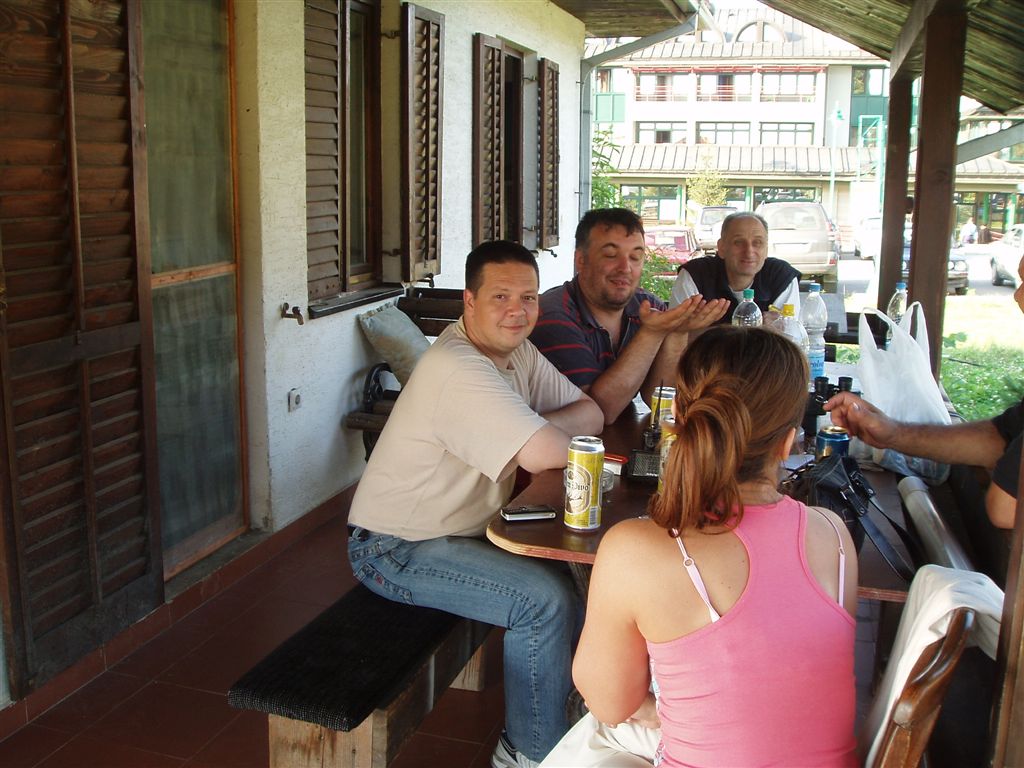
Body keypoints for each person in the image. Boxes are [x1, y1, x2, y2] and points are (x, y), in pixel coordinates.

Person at [550, 326, 858, 767]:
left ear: (676, 418)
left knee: (590, 739)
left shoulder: (633, 550)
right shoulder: (835, 536)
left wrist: (658, 708)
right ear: (788, 443)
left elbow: (609, 704)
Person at [347, 241, 605, 768]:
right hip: (395, 548)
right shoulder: (457, 367)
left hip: (459, 534)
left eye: (528, 297)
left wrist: (533, 429)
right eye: (500, 296)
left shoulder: (516, 351)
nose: (518, 310)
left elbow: (591, 413)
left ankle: (569, 714)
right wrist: (536, 436)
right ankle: (528, 752)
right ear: (469, 301)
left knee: (580, 578)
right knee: (544, 601)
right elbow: (551, 452)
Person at [530, 208, 729, 424]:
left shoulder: (646, 306)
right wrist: (652, 333)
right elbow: (599, 412)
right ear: (581, 260)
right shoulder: (552, 316)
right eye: (610, 255)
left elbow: (658, 399)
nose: (625, 268)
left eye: (635, 257)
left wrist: (678, 333)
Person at [670, 211, 801, 323]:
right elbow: (675, 333)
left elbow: (791, 335)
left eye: (757, 243)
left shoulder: (781, 276)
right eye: (738, 242)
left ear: (766, 249)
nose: (749, 251)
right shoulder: (695, 274)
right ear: (721, 248)